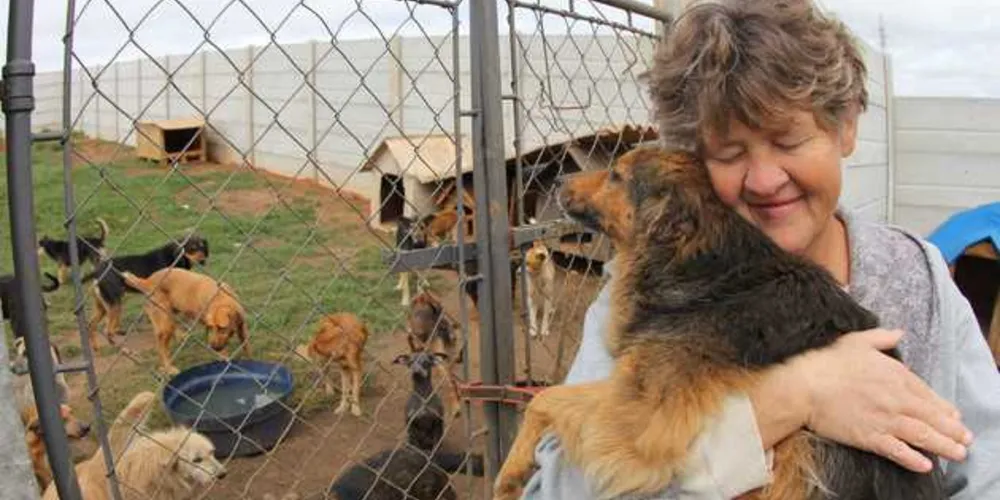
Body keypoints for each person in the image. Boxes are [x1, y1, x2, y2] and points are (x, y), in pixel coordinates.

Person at [520, 1, 1000, 499]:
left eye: (790, 141)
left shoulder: (917, 280)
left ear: (846, 127)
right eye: (729, 153)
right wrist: (787, 401)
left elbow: (987, 476)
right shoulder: (647, 294)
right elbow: (554, 491)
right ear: (694, 163)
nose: (766, 180)